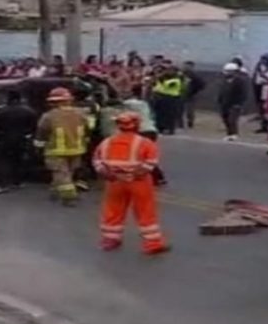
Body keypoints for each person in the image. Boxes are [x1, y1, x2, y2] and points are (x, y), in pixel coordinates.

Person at [93, 112, 169, 256]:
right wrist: (138, 173)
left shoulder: (107, 142)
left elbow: (97, 160)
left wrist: (106, 173)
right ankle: (153, 243)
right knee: (145, 211)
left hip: (115, 181)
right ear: (137, 125)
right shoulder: (144, 142)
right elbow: (151, 161)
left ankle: (110, 239)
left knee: (113, 210)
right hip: (139, 181)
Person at [35, 87, 88, 207]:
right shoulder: (81, 113)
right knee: (67, 173)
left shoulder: (48, 116)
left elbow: (42, 132)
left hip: (55, 150)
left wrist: (38, 146)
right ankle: (55, 191)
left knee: (61, 174)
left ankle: (69, 197)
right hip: (77, 149)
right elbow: (88, 129)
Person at [0, 90, 38, 194]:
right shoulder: (28, 111)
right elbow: (34, 127)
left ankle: (2, 184)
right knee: (18, 160)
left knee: (3, 161)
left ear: (8, 99)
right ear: (19, 99)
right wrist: (29, 136)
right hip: (21, 139)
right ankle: (17, 181)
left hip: (3, 139)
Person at [124, 85, 168, 186]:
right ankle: (156, 176)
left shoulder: (130, 103)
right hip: (151, 130)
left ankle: (157, 177)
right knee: (147, 155)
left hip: (143, 131)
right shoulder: (144, 104)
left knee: (142, 156)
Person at [217, 62, 247, 141]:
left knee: (232, 119)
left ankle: (234, 134)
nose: (227, 73)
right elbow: (222, 91)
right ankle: (229, 133)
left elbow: (243, 93)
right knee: (225, 118)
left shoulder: (240, 81)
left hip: (235, 104)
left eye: (229, 71)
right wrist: (220, 100)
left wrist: (239, 103)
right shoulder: (224, 80)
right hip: (225, 103)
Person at [151, 66, 182, 135]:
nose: (169, 72)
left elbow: (167, 85)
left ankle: (171, 128)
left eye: (171, 71)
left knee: (170, 115)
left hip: (172, 98)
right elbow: (156, 86)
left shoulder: (176, 80)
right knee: (160, 114)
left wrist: (160, 78)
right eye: (168, 70)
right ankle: (160, 127)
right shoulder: (163, 78)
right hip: (162, 97)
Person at [252, 54, 268, 133]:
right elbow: (255, 77)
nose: (262, 61)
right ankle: (264, 126)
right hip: (259, 88)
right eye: (262, 59)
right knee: (261, 108)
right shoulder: (259, 66)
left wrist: (264, 76)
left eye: (264, 59)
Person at [180, 61, 206, 129]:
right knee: (179, 109)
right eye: (185, 66)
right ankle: (180, 123)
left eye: (188, 66)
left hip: (190, 95)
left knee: (190, 110)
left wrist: (194, 91)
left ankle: (190, 122)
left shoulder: (194, 76)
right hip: (180, 94)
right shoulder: (180, 74)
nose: (186, 67)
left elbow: (202, 84)